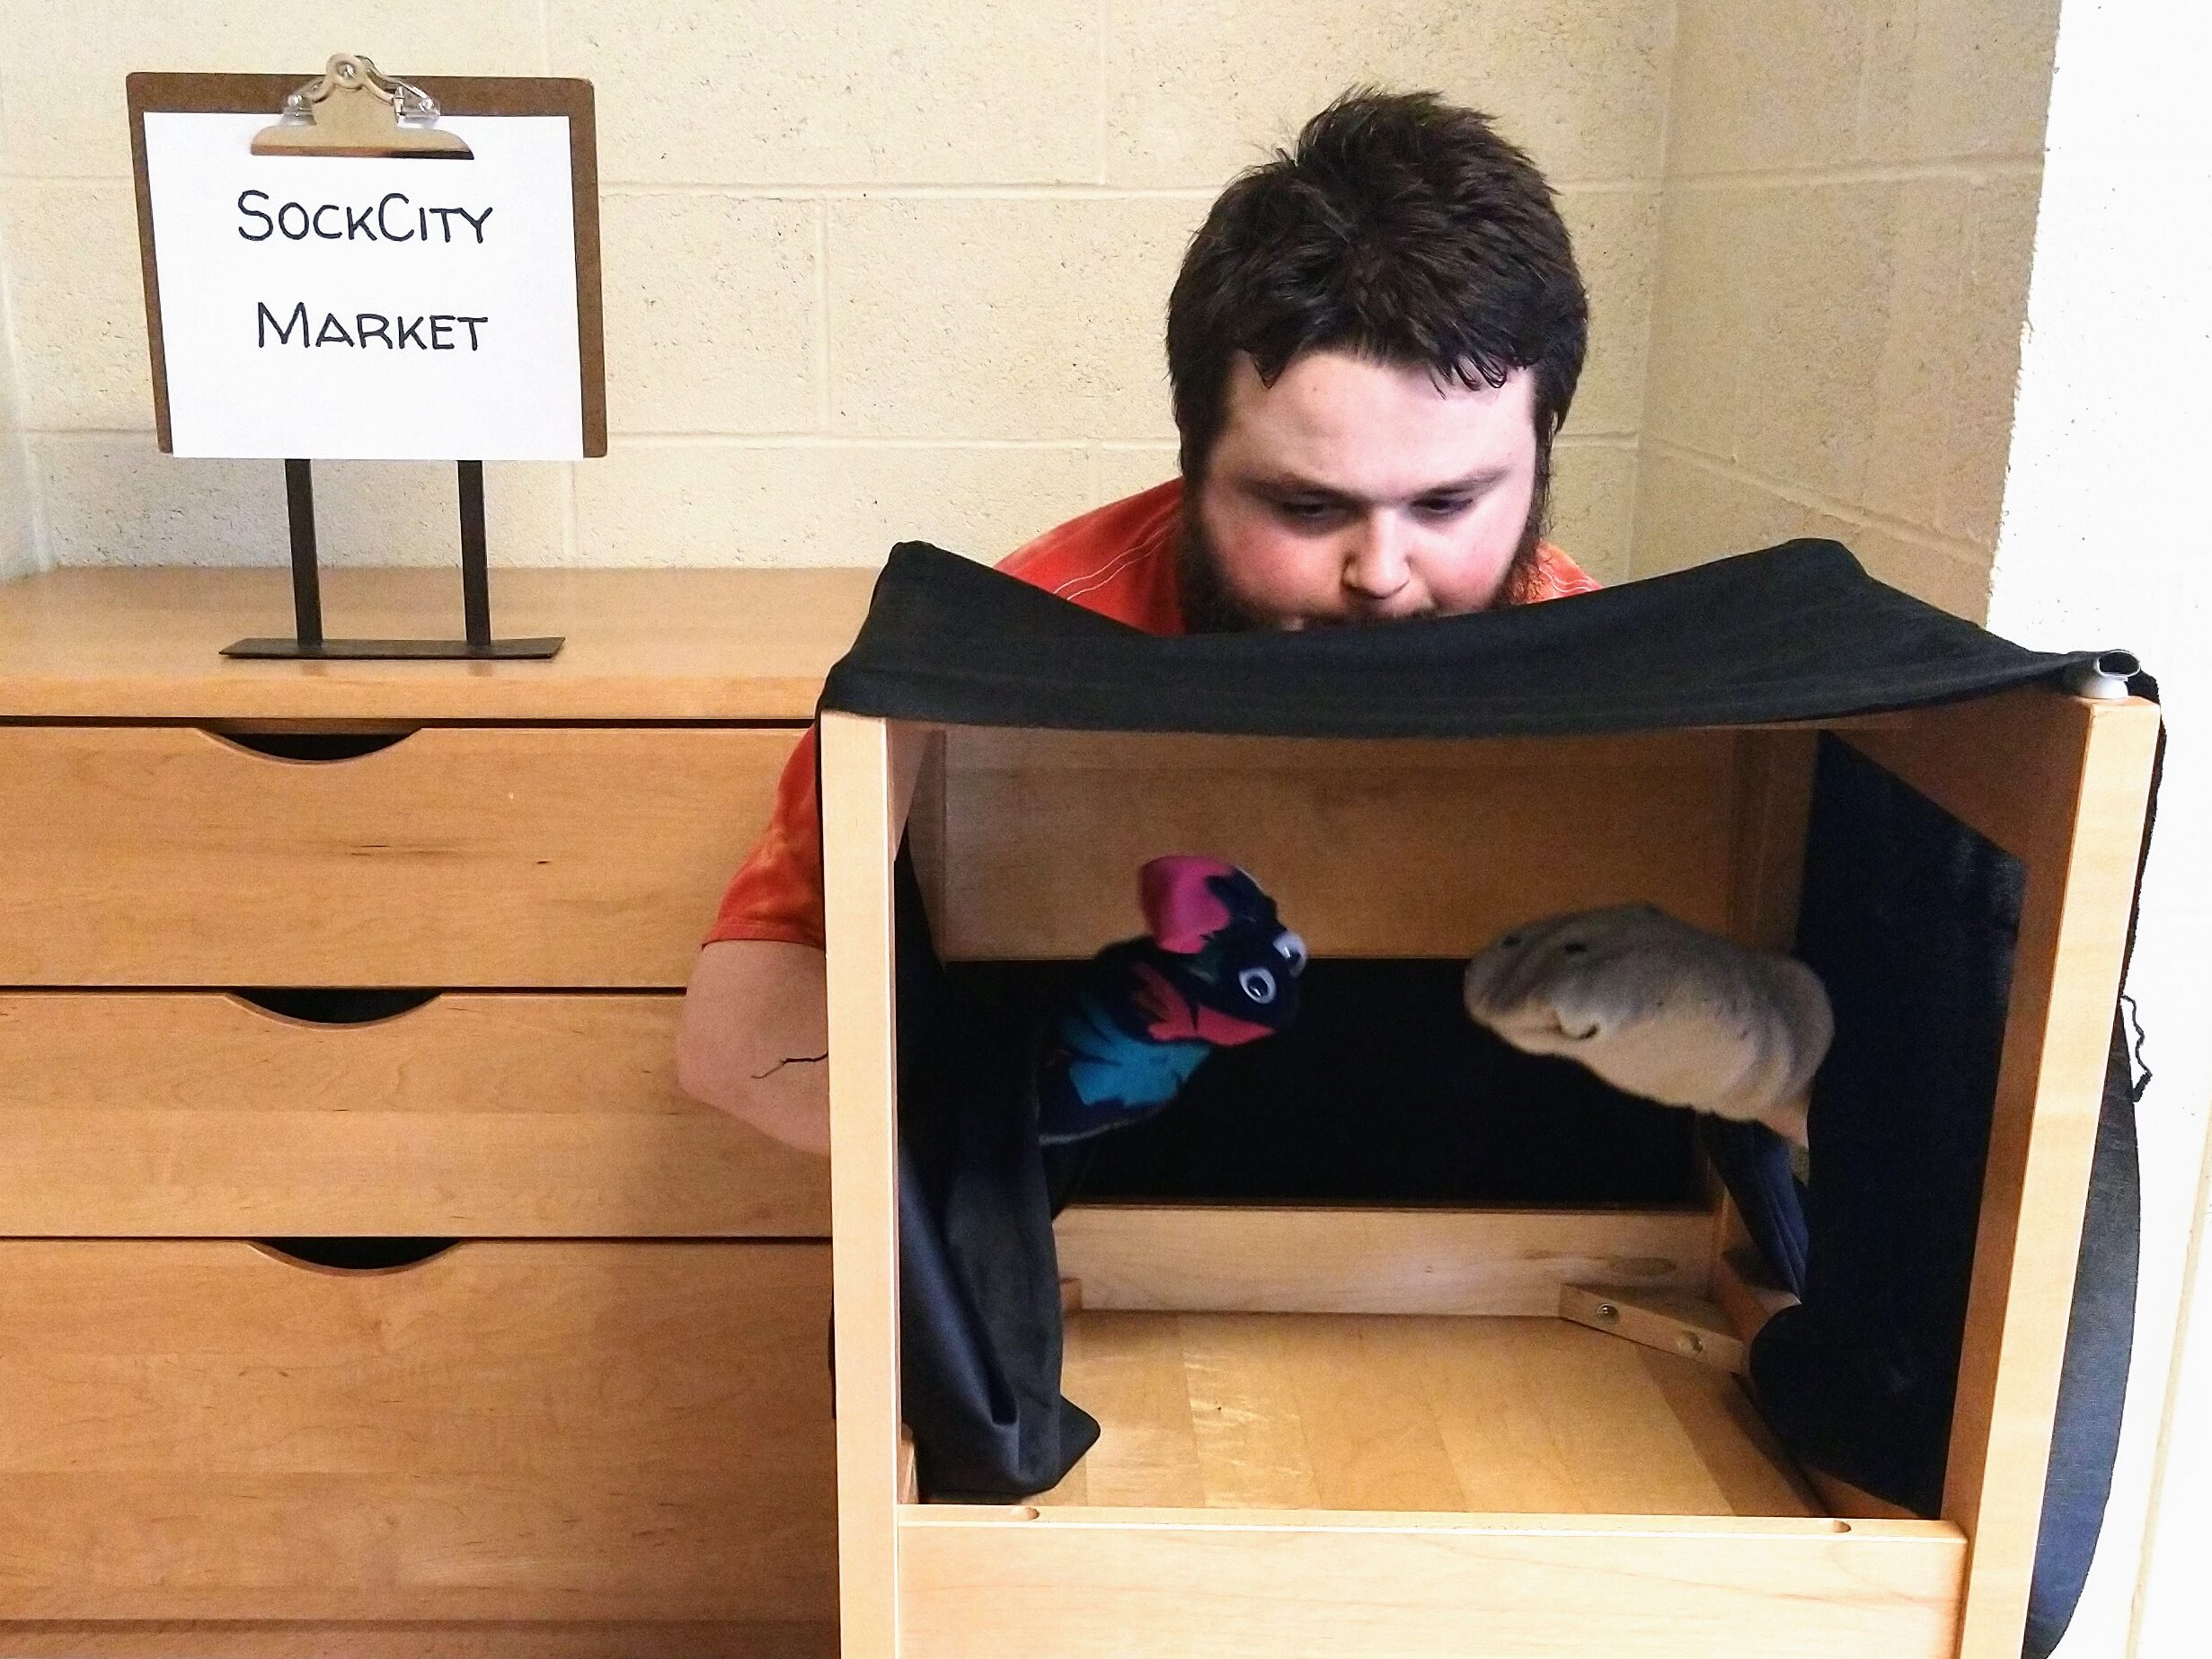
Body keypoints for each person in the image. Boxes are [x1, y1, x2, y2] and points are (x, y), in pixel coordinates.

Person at [676, 88, 1597, 1154]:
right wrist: (1055, 1084)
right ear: (1191, 454)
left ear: (1541, 457)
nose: (1382, 575)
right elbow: (732, 1041)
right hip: (1082, 1250)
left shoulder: (1606, 664)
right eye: (1304, 506)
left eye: (1447, 504)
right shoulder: (1008, 649)